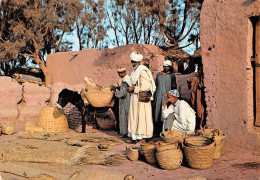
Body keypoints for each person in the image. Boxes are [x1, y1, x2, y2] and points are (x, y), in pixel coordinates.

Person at [127, 52, 156, 143]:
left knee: (142, 117)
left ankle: (143, 137)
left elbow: (146, 86)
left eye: (135, 62)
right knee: (135, 117)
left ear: (139, 62)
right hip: (134, 99)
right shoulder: (134, 71)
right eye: (132, 61)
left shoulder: (143, 71)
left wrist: (134, 89)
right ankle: (135, 137)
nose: (133, 63)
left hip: (141, 98)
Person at [153, 60, 177, 136]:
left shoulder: (172, 76)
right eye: (164, 66)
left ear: (170, 67)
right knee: (157, 113)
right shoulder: (159, 75)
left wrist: (171, 96)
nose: (165, 68)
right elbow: (156, 85)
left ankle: (165, 131)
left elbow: (174, 87)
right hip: (158, 96)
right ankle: (156, 131)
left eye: (167, 66)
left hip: (167, 97)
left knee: (165, 113)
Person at [113, 68, 131, 137]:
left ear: (122, 73)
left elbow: (122, 94)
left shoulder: (125, 80)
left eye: (119, 74)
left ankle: (125, 133)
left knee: (124, 117)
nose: (119, 75)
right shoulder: (128, 79)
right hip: (128, 100)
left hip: (125, 101)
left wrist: (115, 93)